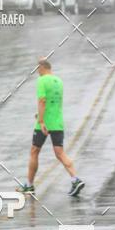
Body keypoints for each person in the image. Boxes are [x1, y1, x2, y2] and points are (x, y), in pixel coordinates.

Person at [17, 58, 85, 198]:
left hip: (44, 124)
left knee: (34, 151)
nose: (37, 73)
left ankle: (29, 185)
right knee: (60, 153)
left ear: (42, 67)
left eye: (38, 69)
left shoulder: (41, 81)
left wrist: (41, 120)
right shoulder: (59, 81)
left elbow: (42, 100)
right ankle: (75, 179)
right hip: (58, 122)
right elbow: (54, 103)